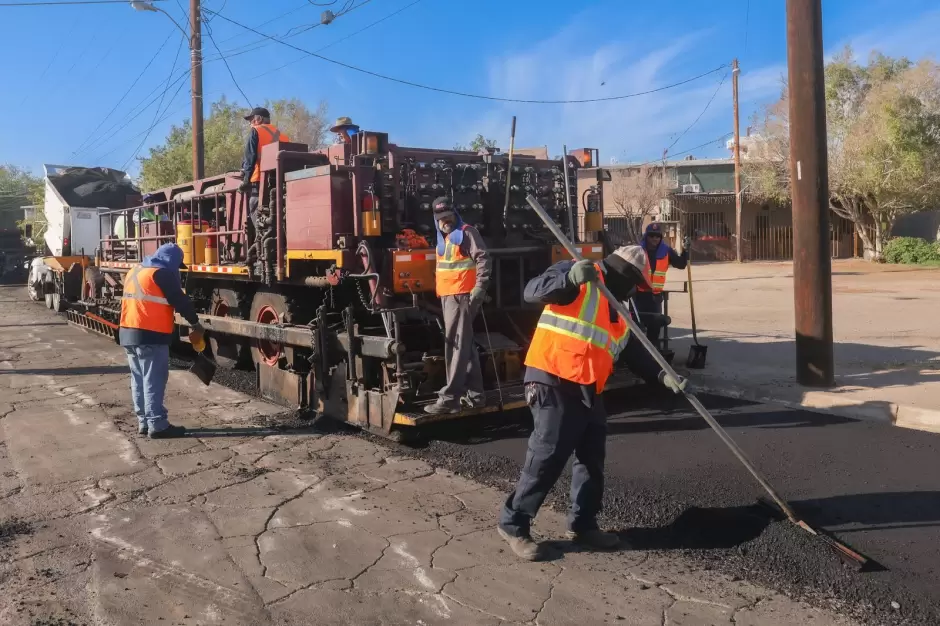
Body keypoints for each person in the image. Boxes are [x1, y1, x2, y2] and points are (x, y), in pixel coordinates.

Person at [498, 246, 687, 561]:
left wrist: (661, 375)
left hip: (587, 388)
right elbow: (533, 292)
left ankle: (584, 524)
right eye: (635, 284)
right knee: (548, 454)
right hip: (551, 377)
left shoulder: (619, 310)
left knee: (591, 457)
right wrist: (569, 280)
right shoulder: (579, 272)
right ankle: (513, 523)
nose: (634, 292)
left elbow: (635, 352)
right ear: (624, 273)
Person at [119, 243, 205, 439]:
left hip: (128, 332)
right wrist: (196, 324)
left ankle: (144, 422)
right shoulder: (161, 273)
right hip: (151, 334)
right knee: (153, 379)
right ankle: (157, 424)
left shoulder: (136, 270)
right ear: (172, 260)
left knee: (138, 379)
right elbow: (180, 300)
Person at [424, 197, 492, 415]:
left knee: (456, 345)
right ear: (436, 220)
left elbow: (483, 258)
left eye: (449, 216)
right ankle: (476, 396)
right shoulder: (443, 237)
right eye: (442, 218)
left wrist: (480, 287)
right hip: (449, 297)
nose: (446, 221)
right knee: (465, 345)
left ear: (455, 214)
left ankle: (450, 398)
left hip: (463, 296)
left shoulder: (466, 232)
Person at [239, 107, 290, 256]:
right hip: (280, 183)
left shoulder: (256, 131)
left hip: (259, 181)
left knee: (255, 207)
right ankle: (280, 244)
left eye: (251, 120)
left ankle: (262, 246)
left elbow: (250, 158)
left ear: (259, 119)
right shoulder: (283, 136)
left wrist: (245, 180)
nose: (250, 124)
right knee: (278, 213)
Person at [634, 223, 690, 344]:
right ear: (646, 237)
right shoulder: (638, 250)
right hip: (639, 295)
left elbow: (681, 264)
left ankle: (654, 352)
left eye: (657, 236)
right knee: (636, 326)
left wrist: (685, 251)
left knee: (654, 326)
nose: (655, 239)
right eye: (652, 236)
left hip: (655, 297)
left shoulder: (666, 251)